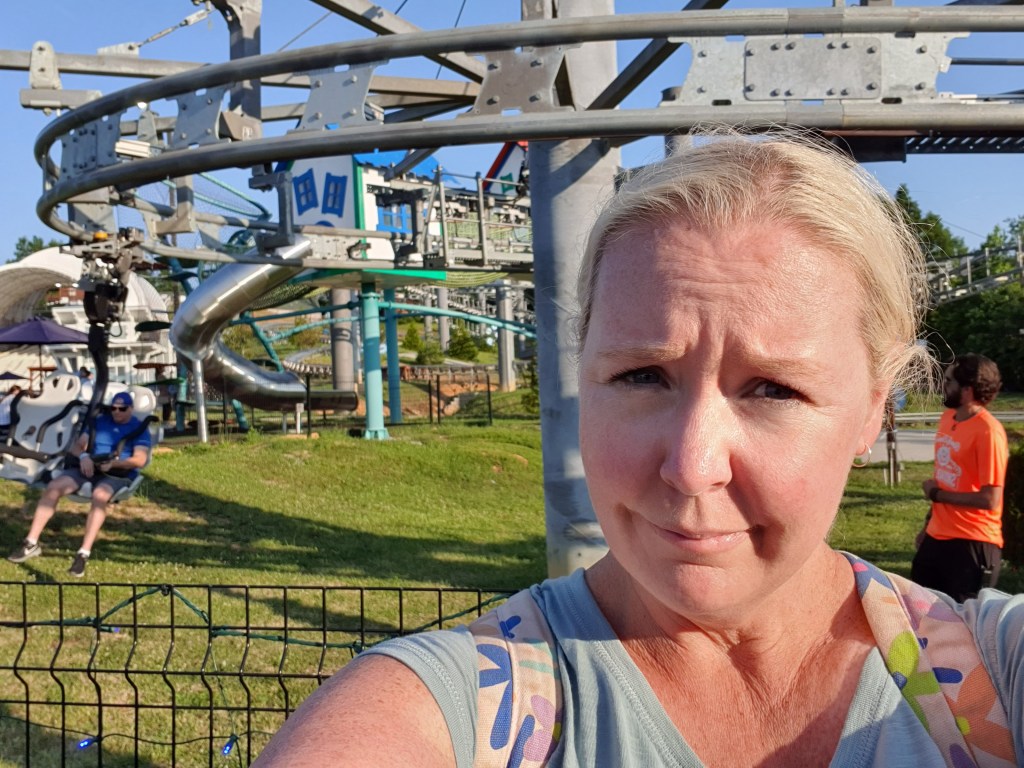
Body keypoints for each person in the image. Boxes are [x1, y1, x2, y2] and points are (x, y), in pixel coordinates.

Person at [253, 133, 1023, 767]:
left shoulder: (1001, 674)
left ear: (873, 410)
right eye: (642, 375)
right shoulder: (456, 708)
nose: (691, 466)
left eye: (773, 389)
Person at [7, 391, 151, 578]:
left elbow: (140, 460)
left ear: (131, 409)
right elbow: (78, 445)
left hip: (117, 473)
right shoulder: (100, 421)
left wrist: (114, 464)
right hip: (89, 468)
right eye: (113, 408)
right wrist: (83, 456)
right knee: (53, 487)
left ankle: (83, 553)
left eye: (122, 409)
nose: (117, 412)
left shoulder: (139, 428)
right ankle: (31, 542)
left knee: (100, 495)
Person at [912, 353, 1009, 601]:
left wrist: (937, 495)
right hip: (937, 537)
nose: (943, 386)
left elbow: (990, 499)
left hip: (972, 542)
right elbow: (945, 477)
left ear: (967, 390)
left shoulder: (988, 432)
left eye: (949, 381)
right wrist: (928, 526)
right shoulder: (948, 418)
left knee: (959, 622)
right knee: (918, 613)